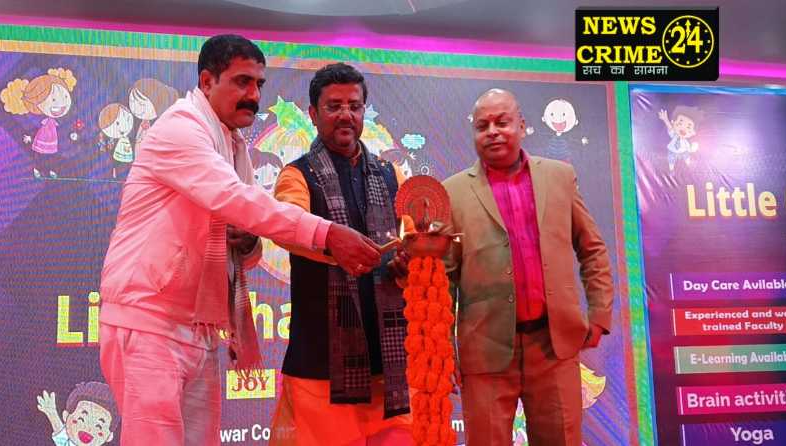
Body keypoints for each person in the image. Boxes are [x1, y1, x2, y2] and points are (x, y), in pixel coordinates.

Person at [98, 36, 381, 446]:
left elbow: (245, 240)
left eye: (259, 84)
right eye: (242, 82)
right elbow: (237, 199)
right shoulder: (181, 128)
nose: (254, 96)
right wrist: (327, 233)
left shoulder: (232, 143)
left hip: (199, 325)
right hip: (149, 321)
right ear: (207, 81)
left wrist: (248, 243)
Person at [443, 88, 612, 445]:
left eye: (502, 122)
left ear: (522, 125)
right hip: (484, 351)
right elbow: (445, 281)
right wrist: (443, 350)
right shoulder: (452, 192)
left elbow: (592, 249)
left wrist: (599, 313)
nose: (493, 132)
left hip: (554, 346)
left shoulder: (559, 177)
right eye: (482, 126)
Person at [270, 63, 412, 446]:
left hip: (390, 366)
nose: (346, 114)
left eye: (354, 106)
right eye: (334, 106)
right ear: (313, 114)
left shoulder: (391, 175)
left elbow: (411, 240)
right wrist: (332, 239)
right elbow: (286, 226)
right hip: (322, 367)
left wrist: (408, 263)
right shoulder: (296, 175)